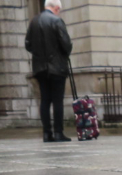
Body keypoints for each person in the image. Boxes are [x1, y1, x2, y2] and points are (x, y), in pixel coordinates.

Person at [25, 0, 73, 143]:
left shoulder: (33, 22)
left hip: (40, 67)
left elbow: (28, 44)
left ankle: (47, 133)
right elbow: (66, 44)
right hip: (56, 67)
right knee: (57, 100)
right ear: (56, 8)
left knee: (45, 100)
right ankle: (58, 133)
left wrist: (39, 54)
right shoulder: (57, 21)